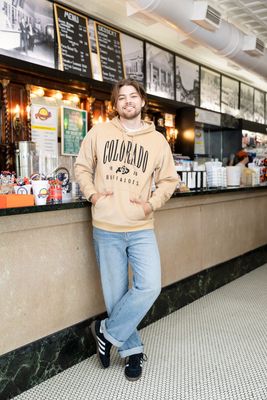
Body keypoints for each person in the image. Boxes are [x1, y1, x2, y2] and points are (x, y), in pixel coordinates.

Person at [74, 78, 178, 381]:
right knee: (116, 294)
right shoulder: (100, 132)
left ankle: (106, 332)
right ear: (115, 104)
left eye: (133, 96)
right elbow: (81, 167)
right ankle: (132, 352)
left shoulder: (157, 140)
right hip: (106, 226)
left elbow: (169, 180)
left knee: (150, 286)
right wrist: (93, 194)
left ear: (143, 101)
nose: (128, 102)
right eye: (122, 98)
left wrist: (151, 204)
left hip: (141, 226)